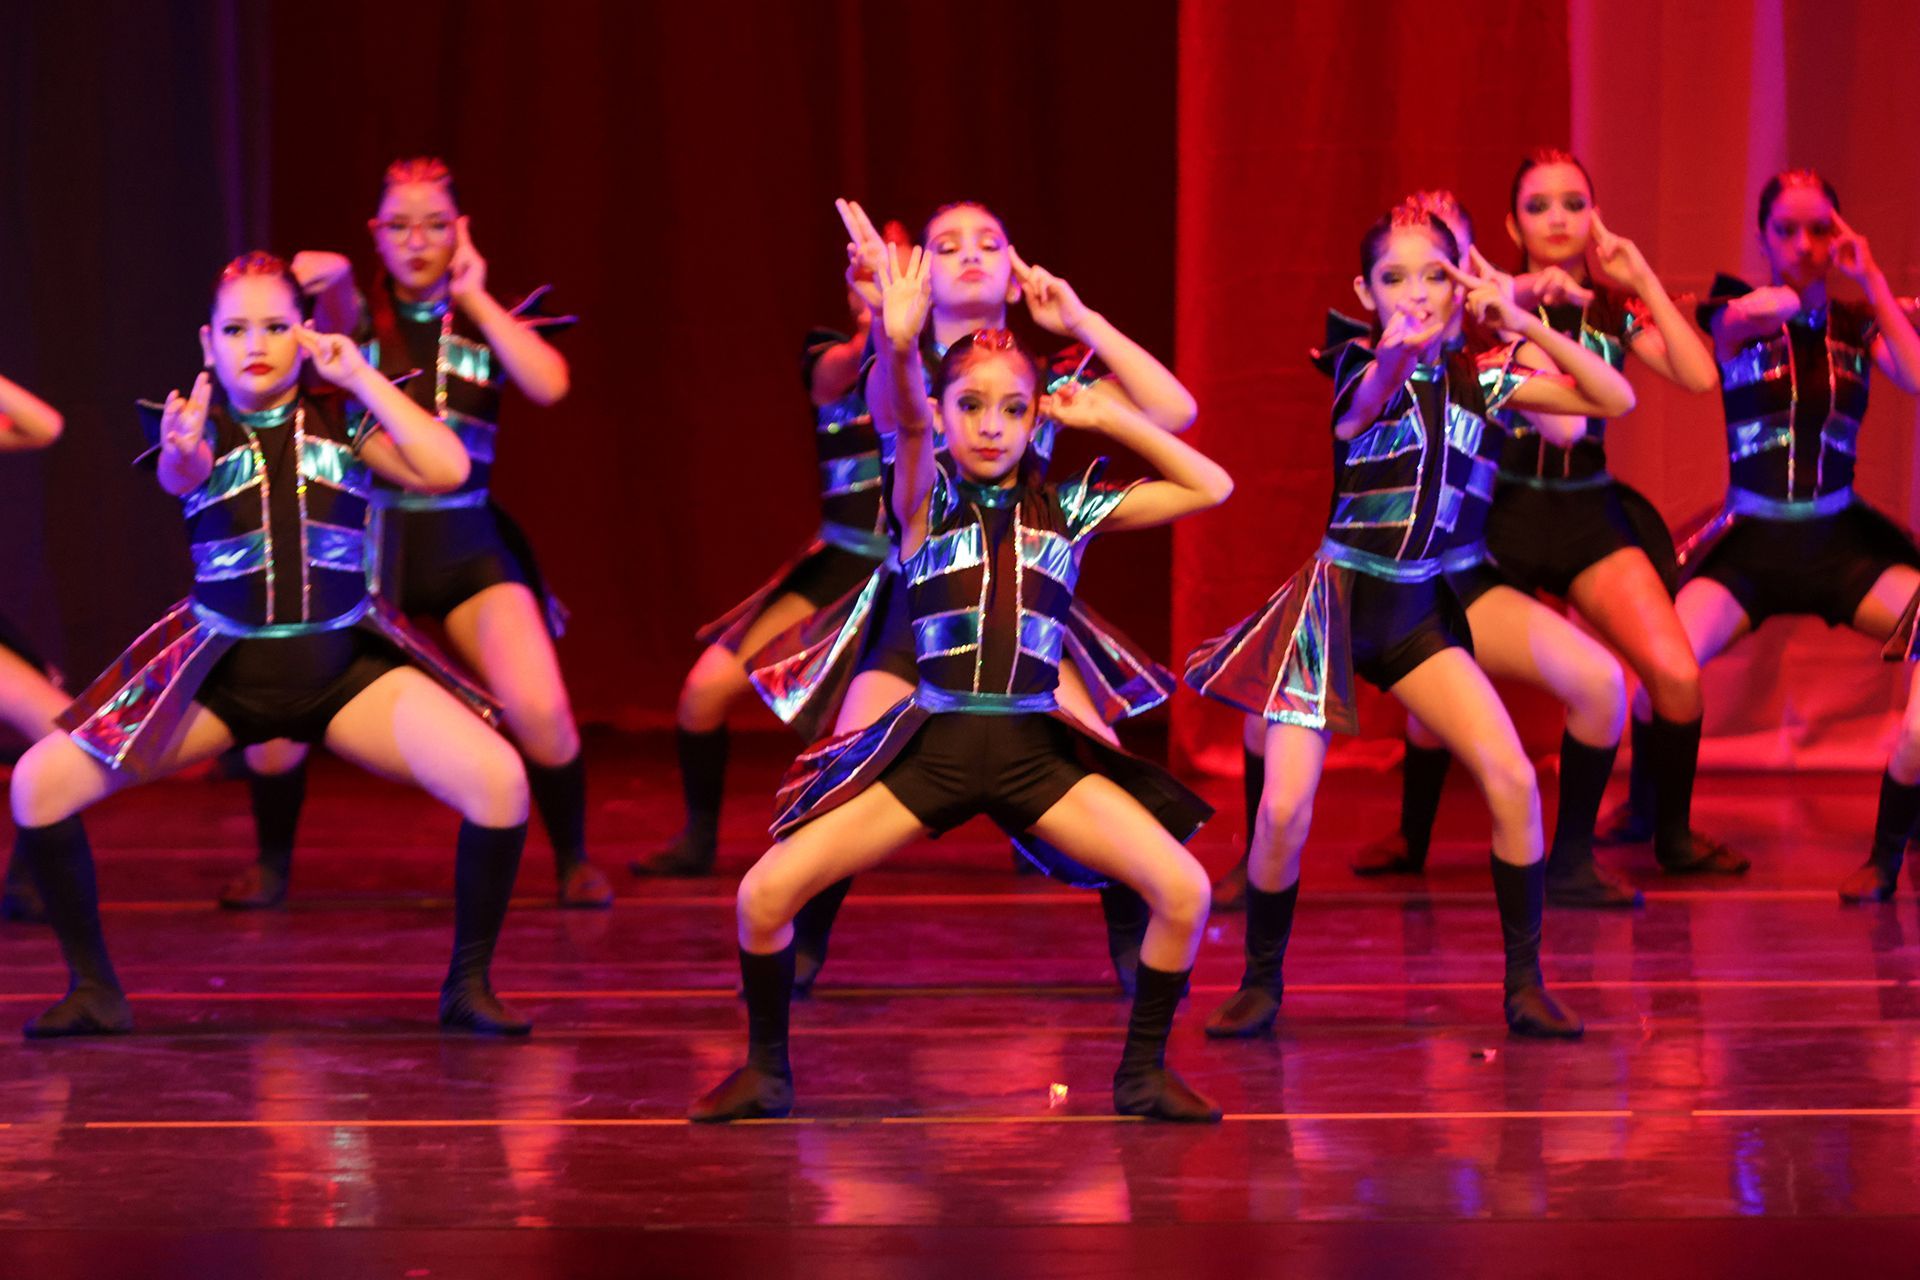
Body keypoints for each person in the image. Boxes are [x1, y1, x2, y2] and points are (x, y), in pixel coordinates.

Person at [690, 245, 1232, 1122]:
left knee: (1185, 890)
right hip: (933, 746)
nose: (991, 426)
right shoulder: (922, 501)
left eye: (1013, 409)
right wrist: (902, 349)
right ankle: (766, 1071)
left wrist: (1105, 413)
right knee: (763, 894)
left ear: (1032, 422)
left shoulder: (1072, 504)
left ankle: (1141, 1075)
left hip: (1032, 753)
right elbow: (903, 427)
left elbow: (1211, 483)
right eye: (971, 407)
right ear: (942, 416)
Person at [9, 252, 533, 1038]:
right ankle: (94, 990)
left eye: (277, 325)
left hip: (343, 671)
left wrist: (360, 377)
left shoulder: (347, 418)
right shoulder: (193, 426)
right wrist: (184, 445)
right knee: (37, 787)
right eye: (236, 328)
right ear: (208, 342)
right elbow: (180, 475)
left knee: (500, 783)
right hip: (220, 677)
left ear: (306, 336)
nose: (255, 342)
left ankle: (467, 987)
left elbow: (448, 465)